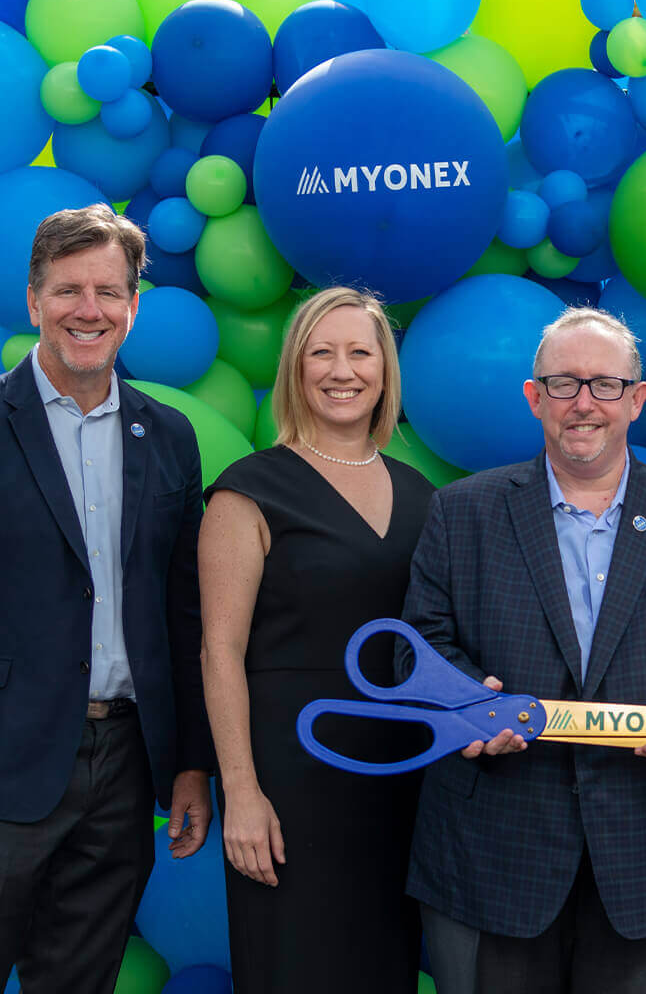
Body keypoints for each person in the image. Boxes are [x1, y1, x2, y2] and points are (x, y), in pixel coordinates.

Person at [402, 307, 646, 994]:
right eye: (563, 383)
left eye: (604, 385)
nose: (583, 404)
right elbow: (421, 644)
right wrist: (467, 709)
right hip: (493, 857)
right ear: (533, 397)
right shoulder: (462, 511)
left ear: (637, 400)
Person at [0, 205, 213, 993]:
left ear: (133, 305)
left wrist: (190, 763)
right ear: (33, 302)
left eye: (108, 291)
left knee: (78, 981)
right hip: (10, 760)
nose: (88, 310)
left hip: (124, 770)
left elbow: (181, 607)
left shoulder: (168, 435)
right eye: (67, 291)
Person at [198, 287, 434, 992]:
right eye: (320, 353)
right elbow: (219, 652)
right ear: (295, 371)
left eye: (360, 352)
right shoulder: (249, 490)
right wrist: (240, 792)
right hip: (288, 788)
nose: (342, 370)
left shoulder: (421, 493)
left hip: (400, 785)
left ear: (385, 371)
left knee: (382, 968)